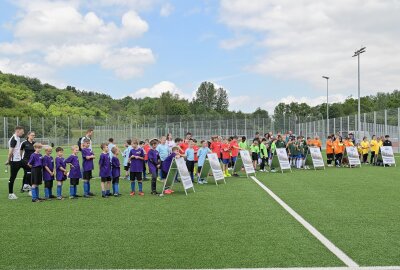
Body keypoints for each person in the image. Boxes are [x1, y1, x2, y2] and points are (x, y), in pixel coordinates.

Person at [6, 126, 25, 200]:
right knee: (12, 177)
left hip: (19, 160)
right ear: (18, 131)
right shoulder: (13, 139)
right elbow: (10, 152)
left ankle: (26, 185)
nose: (23, 133)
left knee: (29, 168)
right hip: (14, 162)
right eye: (22, 131)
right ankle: (10, 194)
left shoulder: (18, 138)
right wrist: (8, 160)